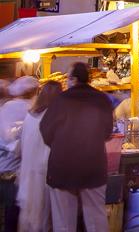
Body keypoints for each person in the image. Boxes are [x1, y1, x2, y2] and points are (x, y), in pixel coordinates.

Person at [40, 63, 114, 232]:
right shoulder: (102, 99)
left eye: (68, 77)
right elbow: (108, 131)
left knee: (63, 221)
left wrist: (60, 146)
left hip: (62, 167)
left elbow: (45, 130)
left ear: (73, 79)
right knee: (96, 218)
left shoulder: (61, 100)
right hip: (93, 166)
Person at [17, 80, 63, 232]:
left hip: (28, 171)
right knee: (44, 219)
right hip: (45, 174)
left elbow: (22, 146)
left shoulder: (30, 116)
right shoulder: (54, 117)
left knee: (30, 218)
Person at [1, 76, 40, 230]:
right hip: (15, 172)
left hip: (4, 167)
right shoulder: (33, 110)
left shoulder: (6, 108)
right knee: (12, 214)